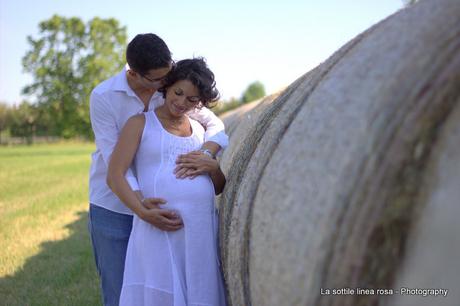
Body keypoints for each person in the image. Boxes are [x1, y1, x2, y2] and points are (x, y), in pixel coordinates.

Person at [88, 34, 228, 306]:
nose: (164, 84)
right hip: (114, 206)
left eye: (168, 76)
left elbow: (216, 126)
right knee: (122, 291)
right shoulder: (104, 97)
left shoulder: (173, 91)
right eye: (159, 80)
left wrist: (208, 156)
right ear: (134, 73)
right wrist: (142, 207)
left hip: (181, 223)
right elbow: (116, 164)